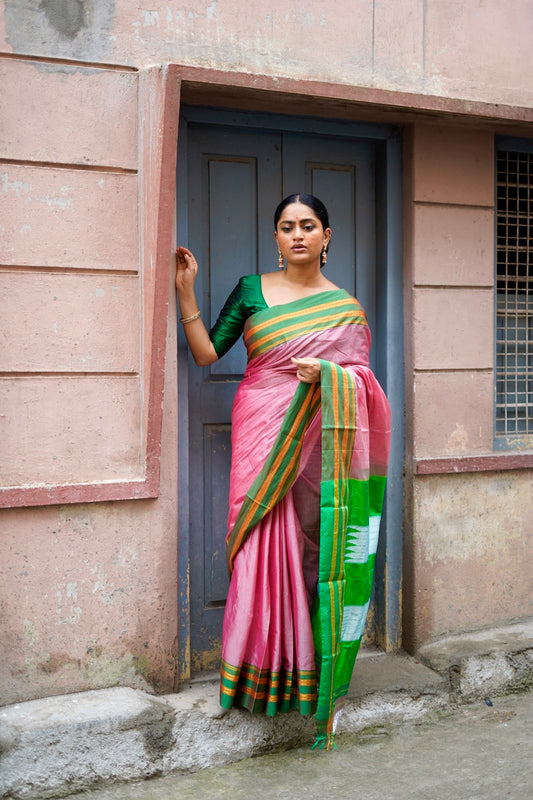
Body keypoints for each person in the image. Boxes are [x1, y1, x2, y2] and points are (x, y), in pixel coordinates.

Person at [176, 193, 391, 749]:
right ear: (275, 237)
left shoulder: (346, 307)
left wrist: (326, 372)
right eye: (287, 226)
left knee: (317, 539)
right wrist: (185, 294)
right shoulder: (250, 290)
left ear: (326, 236)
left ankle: (310, 670)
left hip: (319, 430)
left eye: (308, 225)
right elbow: (206, 354)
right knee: (258, 537)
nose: (297, 234)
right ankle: (255, 671)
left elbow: (362, 380)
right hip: (260, 422)